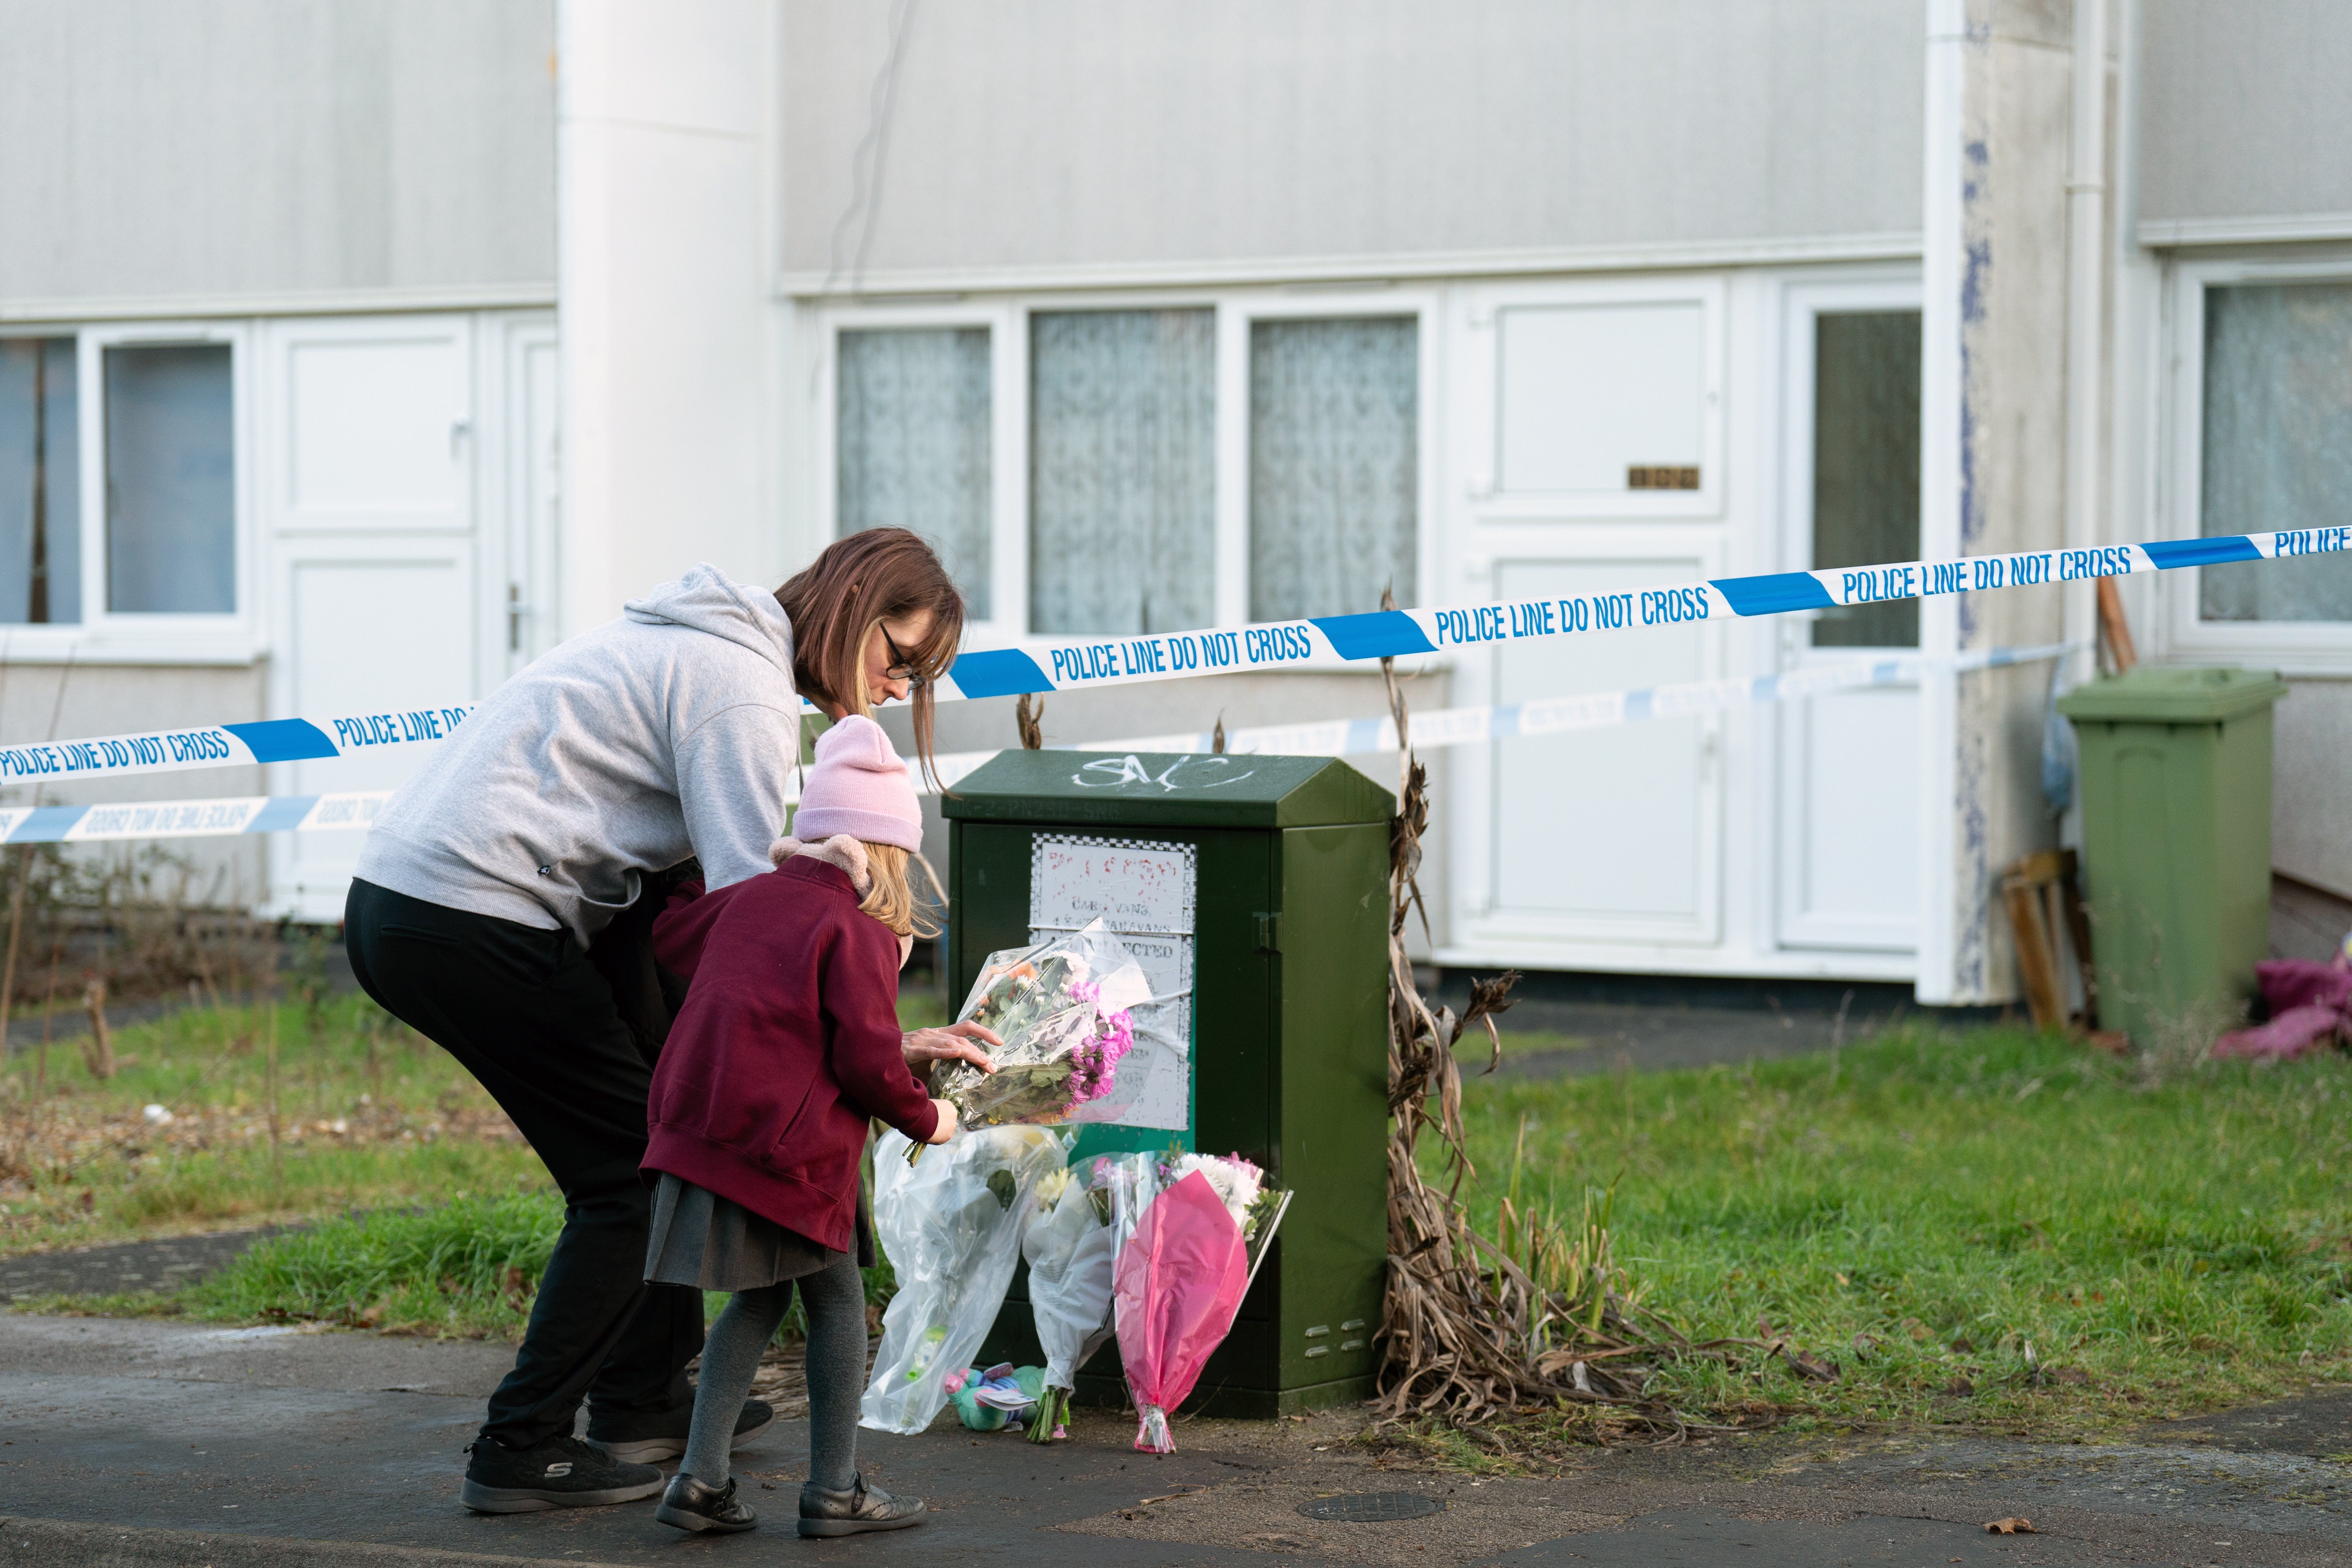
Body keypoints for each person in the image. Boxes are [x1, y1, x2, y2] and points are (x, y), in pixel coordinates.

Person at [342, 529, 996, 1514]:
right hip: (471, 911)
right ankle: (519, 1447)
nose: (898, 687)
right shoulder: (743, 693)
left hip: (428, 901)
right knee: (629, 1178)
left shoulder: (709, 647)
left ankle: (646, 1397)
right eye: (898, 657)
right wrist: (874, 1046)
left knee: (655, 1131)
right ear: (855, 603)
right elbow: (753, 945)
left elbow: (694, 915)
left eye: (916, 674)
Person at [639, 714, 948, 1537]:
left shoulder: (751, 898)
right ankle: (835, 1491)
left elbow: (672, 934)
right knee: (841, 1304)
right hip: (789, 1154)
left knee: (758, 1302)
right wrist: (932, 1117)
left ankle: (701, 1484)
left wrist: (680, 867)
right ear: (890, 850)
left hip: (706, 1131)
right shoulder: (856, 928)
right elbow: (867, 1062)